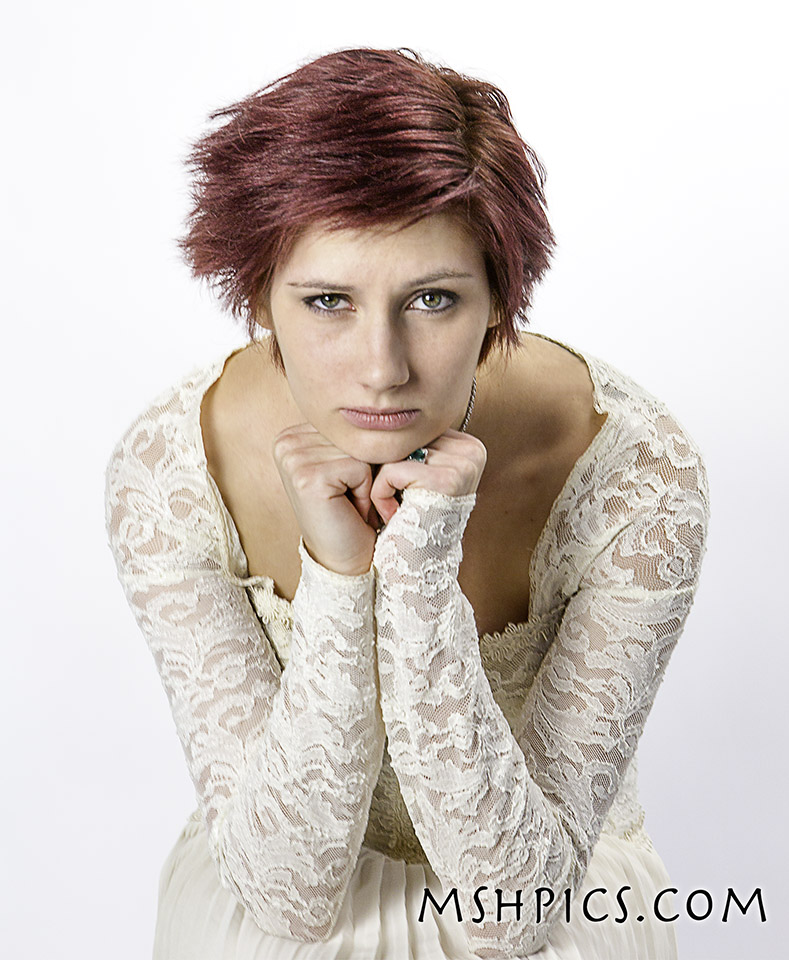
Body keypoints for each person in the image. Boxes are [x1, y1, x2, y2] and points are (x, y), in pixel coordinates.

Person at [104, 48, 708, 960]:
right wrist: (341, 576)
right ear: (258, 293)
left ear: (501, 299)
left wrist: (420, 572)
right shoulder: (175, 468)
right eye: (327, 301)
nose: (382, 368)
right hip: (280, 905)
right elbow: (291, 895)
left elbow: (516, 911)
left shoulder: (634, 475)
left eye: (432, 299)